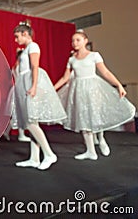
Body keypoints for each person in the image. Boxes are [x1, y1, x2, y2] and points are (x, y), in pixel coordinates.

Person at [54, 29, 136, 160]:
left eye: (78, 40)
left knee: (95, 115)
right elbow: (65, 78)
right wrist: (53, 89)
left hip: (93, 88)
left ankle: (101, 139)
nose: (75, 43)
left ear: (85, 41)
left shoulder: (94, 55)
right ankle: (91, 151)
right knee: (83, 118)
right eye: (73, 40)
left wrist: (119, 85)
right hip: (78, 90)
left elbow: (105, 72)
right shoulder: (71, 59)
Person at [12, 21, 66, 170]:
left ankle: (49, 154)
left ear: (25, 34)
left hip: (30, 83)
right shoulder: (25, 49)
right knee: (30, 123)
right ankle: (34, 158)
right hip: (23, 83)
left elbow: (35, 66)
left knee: (31, 122)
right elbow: (17, 69)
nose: (16, 40)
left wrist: (34, 86)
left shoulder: (33, 46)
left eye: (17, 37)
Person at [4, 47, 31, 142]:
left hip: (15, 89)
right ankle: (21, 134)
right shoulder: (21, 67)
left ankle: (9, 131)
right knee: (20, 112)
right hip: (20, 88)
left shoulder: (15, 66)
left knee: (17, 112)